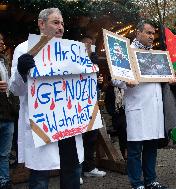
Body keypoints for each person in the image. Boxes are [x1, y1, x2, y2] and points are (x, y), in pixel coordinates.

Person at [9, 8, 83, 189]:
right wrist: (21, 70)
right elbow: (15, 89)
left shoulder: (71, 50)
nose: (61, 27)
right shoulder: (24, 49)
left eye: (62, 23)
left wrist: (89, 73)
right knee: (40, 179)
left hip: (68, 125)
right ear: (41, 24)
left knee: (72, 172)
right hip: (42, 126)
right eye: (56, 22)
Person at [113, 20, 176, 189]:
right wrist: (127, 82)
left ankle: (151, 180)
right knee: (134, 149)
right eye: (148, 32)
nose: (151, 36)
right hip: (138, 109)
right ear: (137, 33)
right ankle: (137, 183)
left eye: (153, 33)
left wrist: (169, 79)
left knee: (151, 147)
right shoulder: (127, 53)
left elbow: (161, 78)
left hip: (154, 109)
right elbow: (115, 79)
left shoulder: (156, 55)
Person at [80, 36, 106, 179]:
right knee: (79, 139)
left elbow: (96, 86)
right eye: (87, 43)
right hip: (78, 108)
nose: (89, 46)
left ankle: (89, 167)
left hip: (92, 106)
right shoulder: (74, 61)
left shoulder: (94, 63)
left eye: (91, 44)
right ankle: (76, 171)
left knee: (91, 138)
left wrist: (99, 82)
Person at [0, 33, 19, 189]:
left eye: (2, 39)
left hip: (7, 115)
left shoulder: (5, 62)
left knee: (5, 154)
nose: (1, 42)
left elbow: (11, 88)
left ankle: (4, 181)